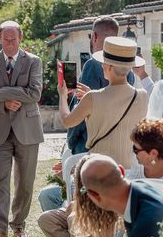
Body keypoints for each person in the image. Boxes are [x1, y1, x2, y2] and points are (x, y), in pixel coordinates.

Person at [0, 20, 43, 237]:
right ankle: (0, 228)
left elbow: (34, 93)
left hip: (28, 130)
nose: (9, 44)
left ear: (20, 38)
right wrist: (2, 104)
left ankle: (19, 224)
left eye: (13, 39)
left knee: (25, 181)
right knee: (0, 180)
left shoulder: (34, 61)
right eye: (5, 39)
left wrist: (1, 92)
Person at [58, 37, 148, 169]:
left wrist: (62, 95)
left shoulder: (92, 98)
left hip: (98, 170)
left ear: (109, 67)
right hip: (128, 171)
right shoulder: (142, 96)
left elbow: (67, 121)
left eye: (103, 62)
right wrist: (92, 95)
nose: (101, 65)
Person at [67, 16, 137, 155]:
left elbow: (81, 112)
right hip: (119, 143)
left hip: (90, 144)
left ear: (94, 36)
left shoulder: (92, 64)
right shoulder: (127, 70)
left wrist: (71, 142)